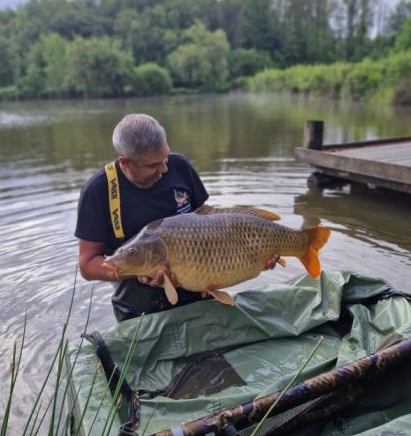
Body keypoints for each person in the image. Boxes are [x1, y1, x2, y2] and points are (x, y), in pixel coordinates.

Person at [75, 113, 279, 322]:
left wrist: (256, 254)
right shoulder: (99, 191)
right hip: (139, 310)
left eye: (165, 158)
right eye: (154, 165)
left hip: (199, 294)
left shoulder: (179, 166)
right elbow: (87, 264)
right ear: (125, 162)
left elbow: (211, 224)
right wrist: (140, 272)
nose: (164, 169)